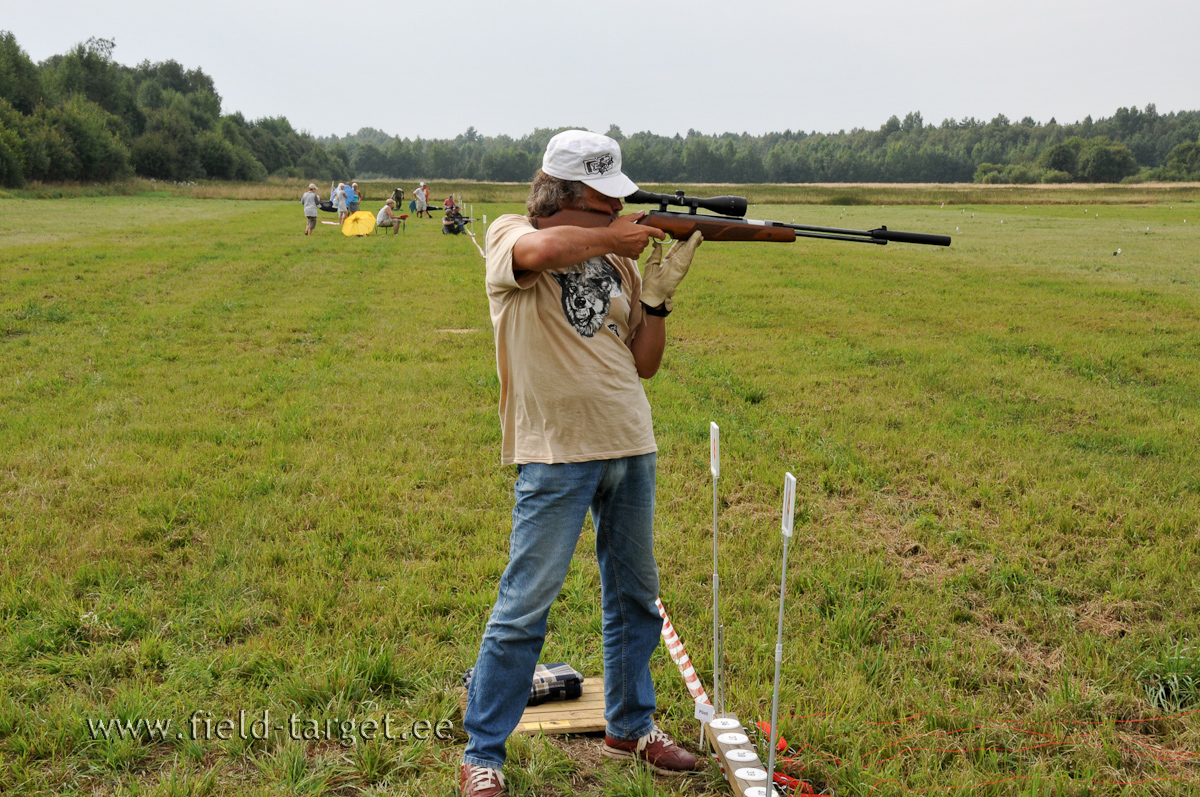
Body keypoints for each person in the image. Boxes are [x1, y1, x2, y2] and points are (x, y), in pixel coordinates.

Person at [459, 130, 704, 797]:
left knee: (634, 594)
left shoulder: (618, 260)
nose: (619, 218)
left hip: (629, 440)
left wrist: (654, 300)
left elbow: (644, 362)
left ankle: (632, 727)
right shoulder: (514, 234)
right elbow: (541, 250)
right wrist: (611, 238)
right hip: (555, 453)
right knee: (524, 606)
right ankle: (484, 752)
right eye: (606, 207)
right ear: (565, 196)